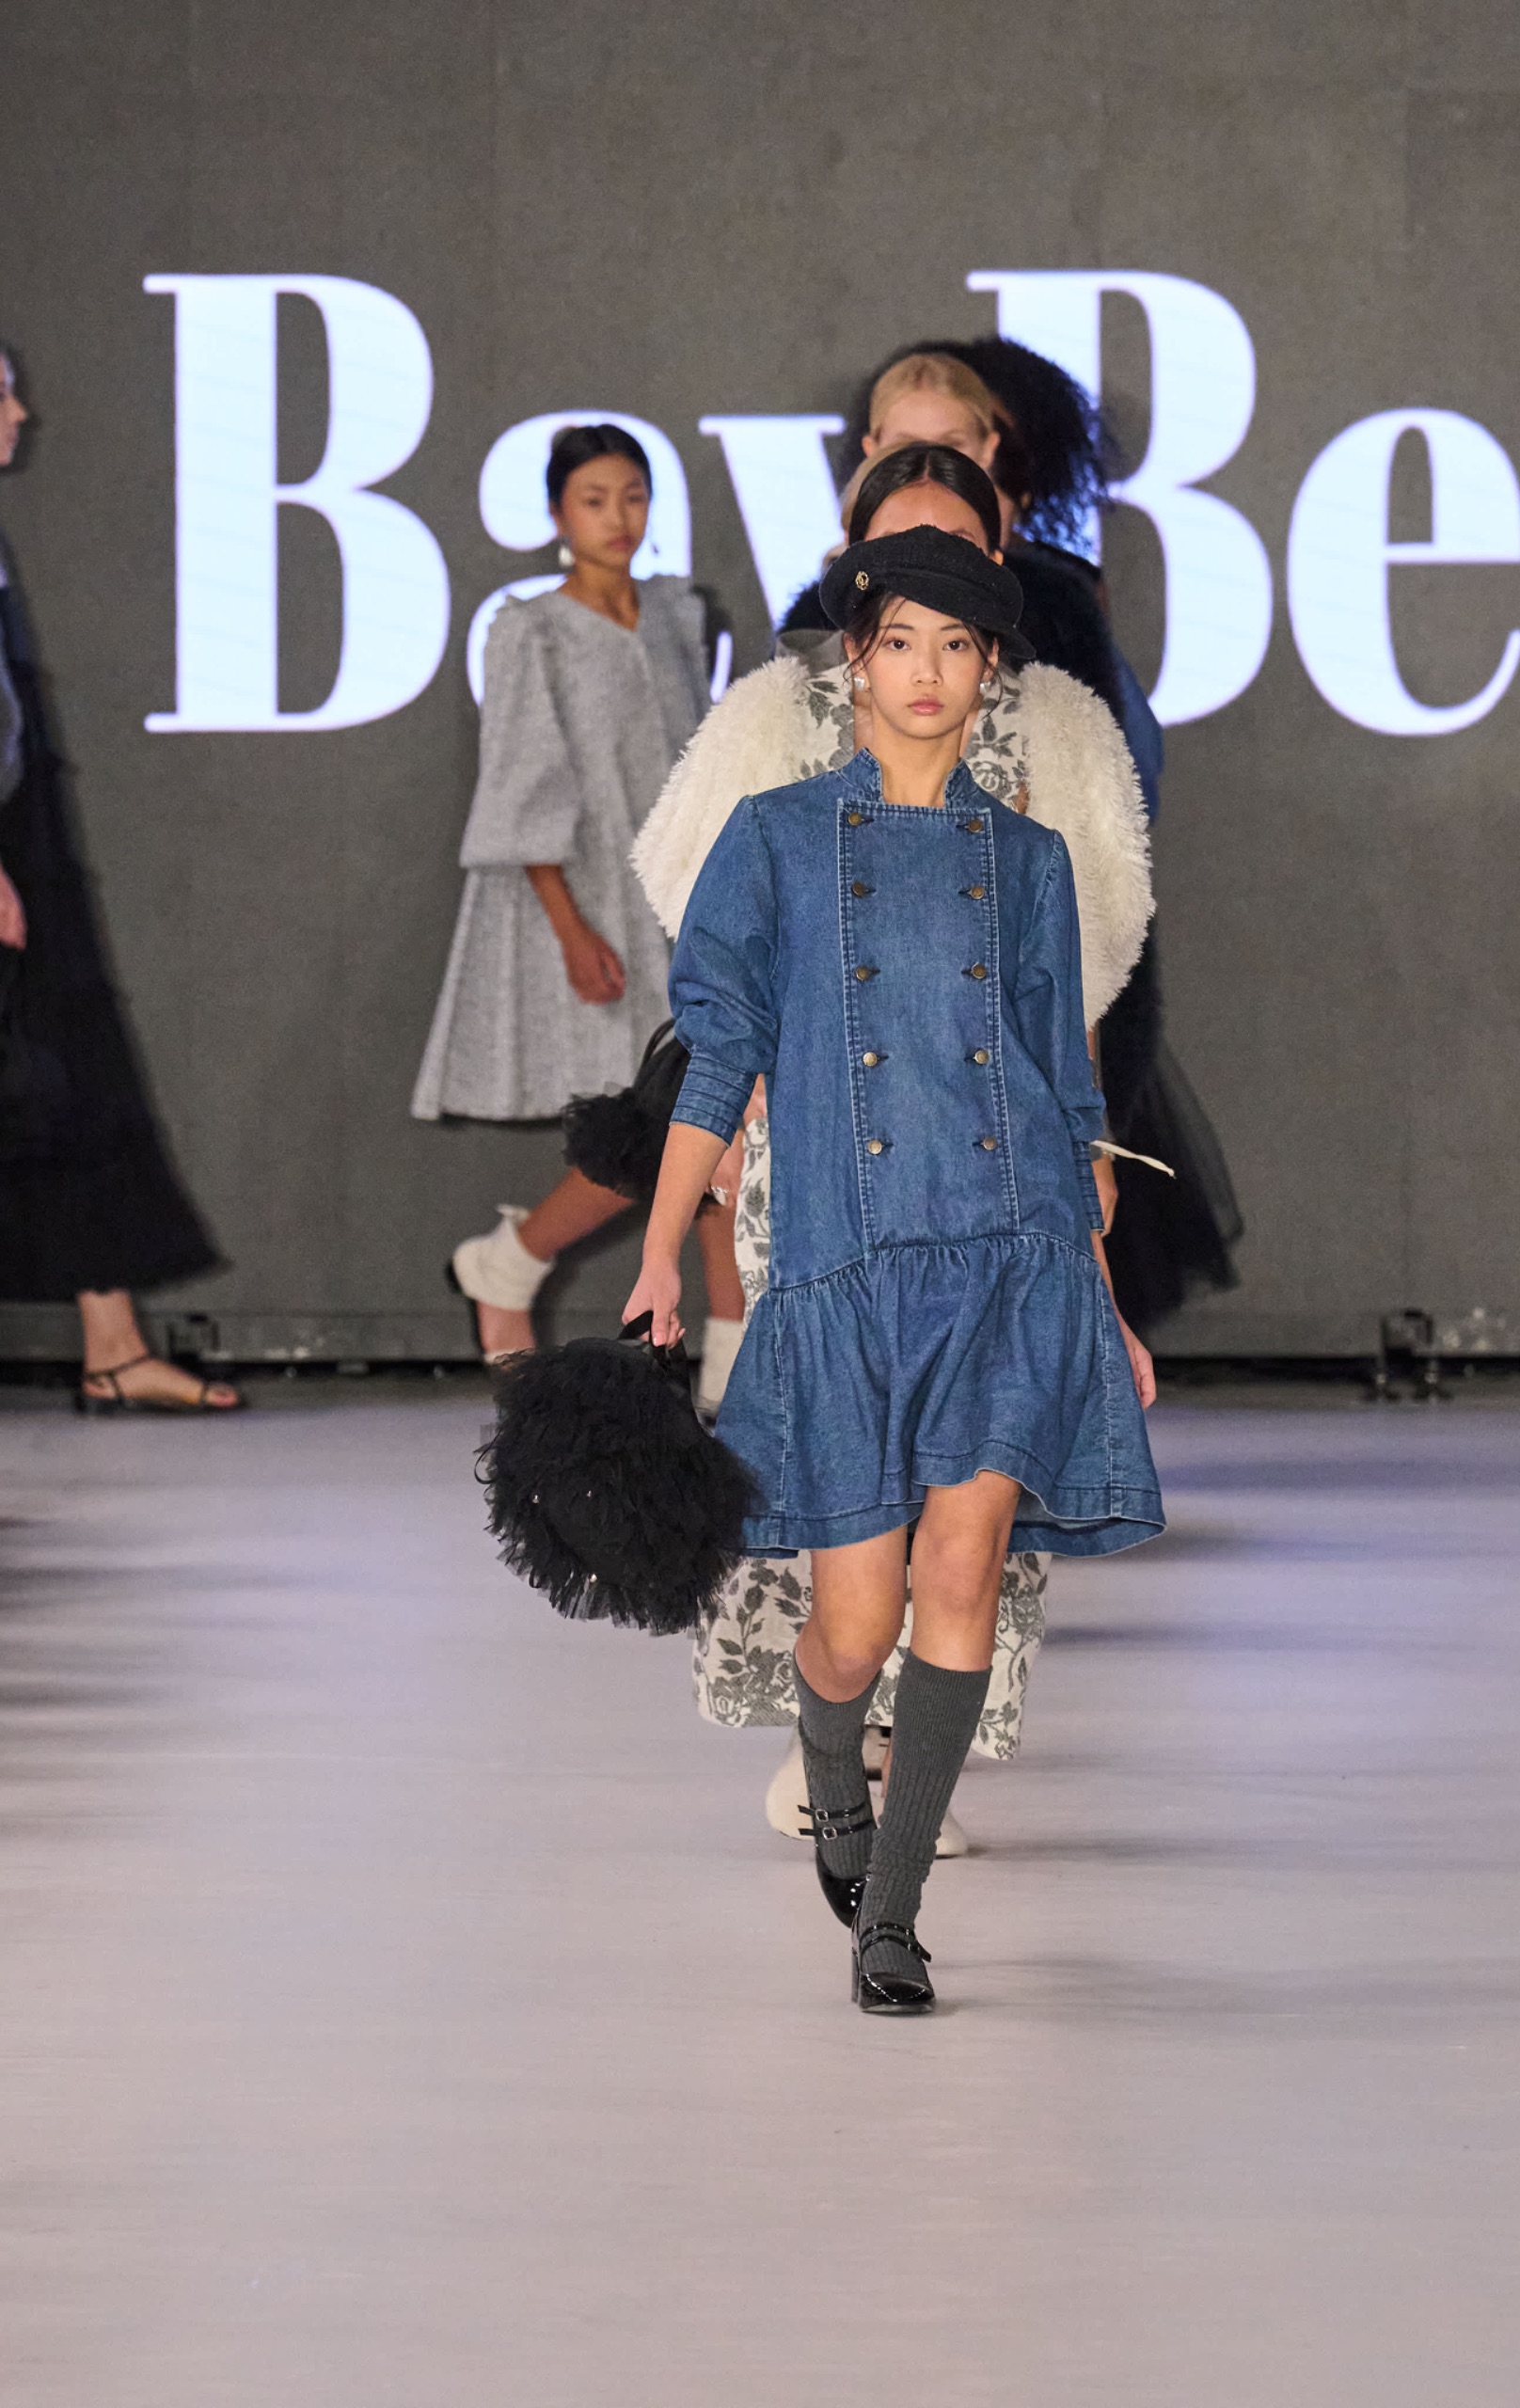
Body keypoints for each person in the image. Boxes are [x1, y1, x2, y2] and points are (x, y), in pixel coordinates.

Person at [626, 526, 1162, 2011]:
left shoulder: (1030, 861)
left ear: (986, 670)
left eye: (955, 646)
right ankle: (829, 1773)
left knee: (961, 1576)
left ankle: (896, 1918)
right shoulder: (778, 842)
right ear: (852, 658)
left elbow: (1064, 1094)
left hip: (1010, 1264)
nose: (925, 673)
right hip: (845, 1272)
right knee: (851, 1623)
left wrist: (1100, 1316)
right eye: (899, 642)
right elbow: (717, 1052)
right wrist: (664, 1245)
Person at [802, 342, 1244, 1331]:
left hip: (1036, 935)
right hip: (884, 958)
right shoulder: (824, 608)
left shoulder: (1052, 596)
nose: (926, 476)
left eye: (949, 447)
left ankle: (1042, 1423)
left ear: (991, 451)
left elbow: (1112, 771)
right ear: (868, 455)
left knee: (1054, 1175)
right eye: (904, 451)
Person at [412, 424, 741, 1382]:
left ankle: (730, 1361)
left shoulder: (678, 612)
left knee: (715, 1115)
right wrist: (569, 927)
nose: (617, 518)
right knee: (661, 1120)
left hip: (690, 896)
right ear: (558, 513)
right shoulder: (533, 629)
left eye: (632, 495)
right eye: (594, 499)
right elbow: (519, 781)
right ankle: (510, 1264)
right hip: (597, 896)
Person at [0, 340, 238, 1412]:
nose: (21, 414)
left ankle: (111, 1342)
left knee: (65, 1080)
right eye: (3, 393)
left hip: (23, 832)